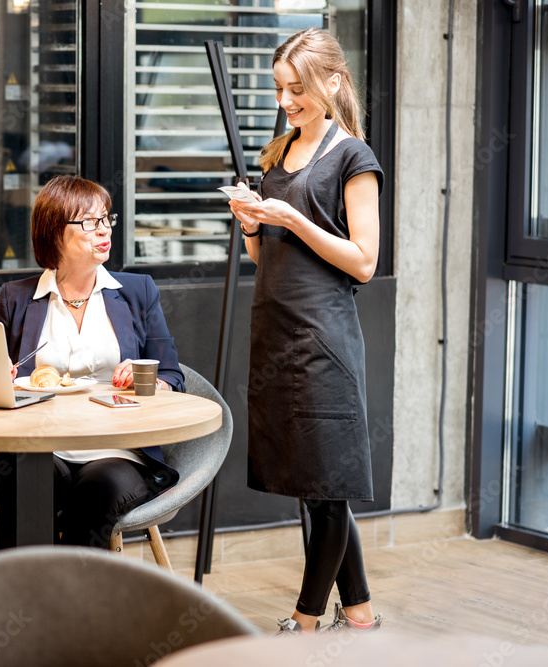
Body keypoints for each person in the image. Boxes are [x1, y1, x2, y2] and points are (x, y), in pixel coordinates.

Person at [227, 28, 385, 635]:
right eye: (279, 90)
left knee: (325, 484)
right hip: (275, 333)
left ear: (333, 84)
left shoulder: (353, 158)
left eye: (297, 89)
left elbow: (364, 262)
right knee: (315, 484)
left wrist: (292, 219)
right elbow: (270, 263)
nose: (285, 101)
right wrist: (250, 226)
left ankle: (307, 619)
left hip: (324, 341)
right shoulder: (278, 154)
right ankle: (363, 613)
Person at [0, 174, 185, 549]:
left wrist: (146, 375)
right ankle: (20, 601)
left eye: (105, 219)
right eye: (88, 222)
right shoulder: (17, 298)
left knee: (96, 492)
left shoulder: (137, 291)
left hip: (117, 448)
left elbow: (171, 375)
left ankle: (80, 605)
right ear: (54, 233)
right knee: (27, 481)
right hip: (41, 444)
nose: (103, 230)